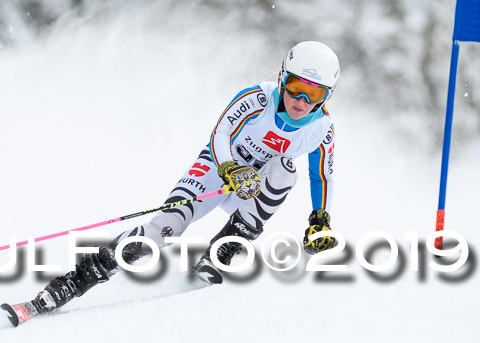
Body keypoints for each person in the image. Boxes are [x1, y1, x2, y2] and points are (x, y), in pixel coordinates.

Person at [34, 41, 340, 313]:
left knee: (285, 169)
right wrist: (229, 167)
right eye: (295, 86)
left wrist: (320, 221)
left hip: (250, 189)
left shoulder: (321, 130)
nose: (300, 100)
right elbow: (220, 133)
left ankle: (227, 244)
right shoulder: (257, 99)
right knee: (164, 229)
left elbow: (321, 177)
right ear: (282, 78)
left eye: (314, 94)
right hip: (217, 171)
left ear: (326, 96)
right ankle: (75, 282)